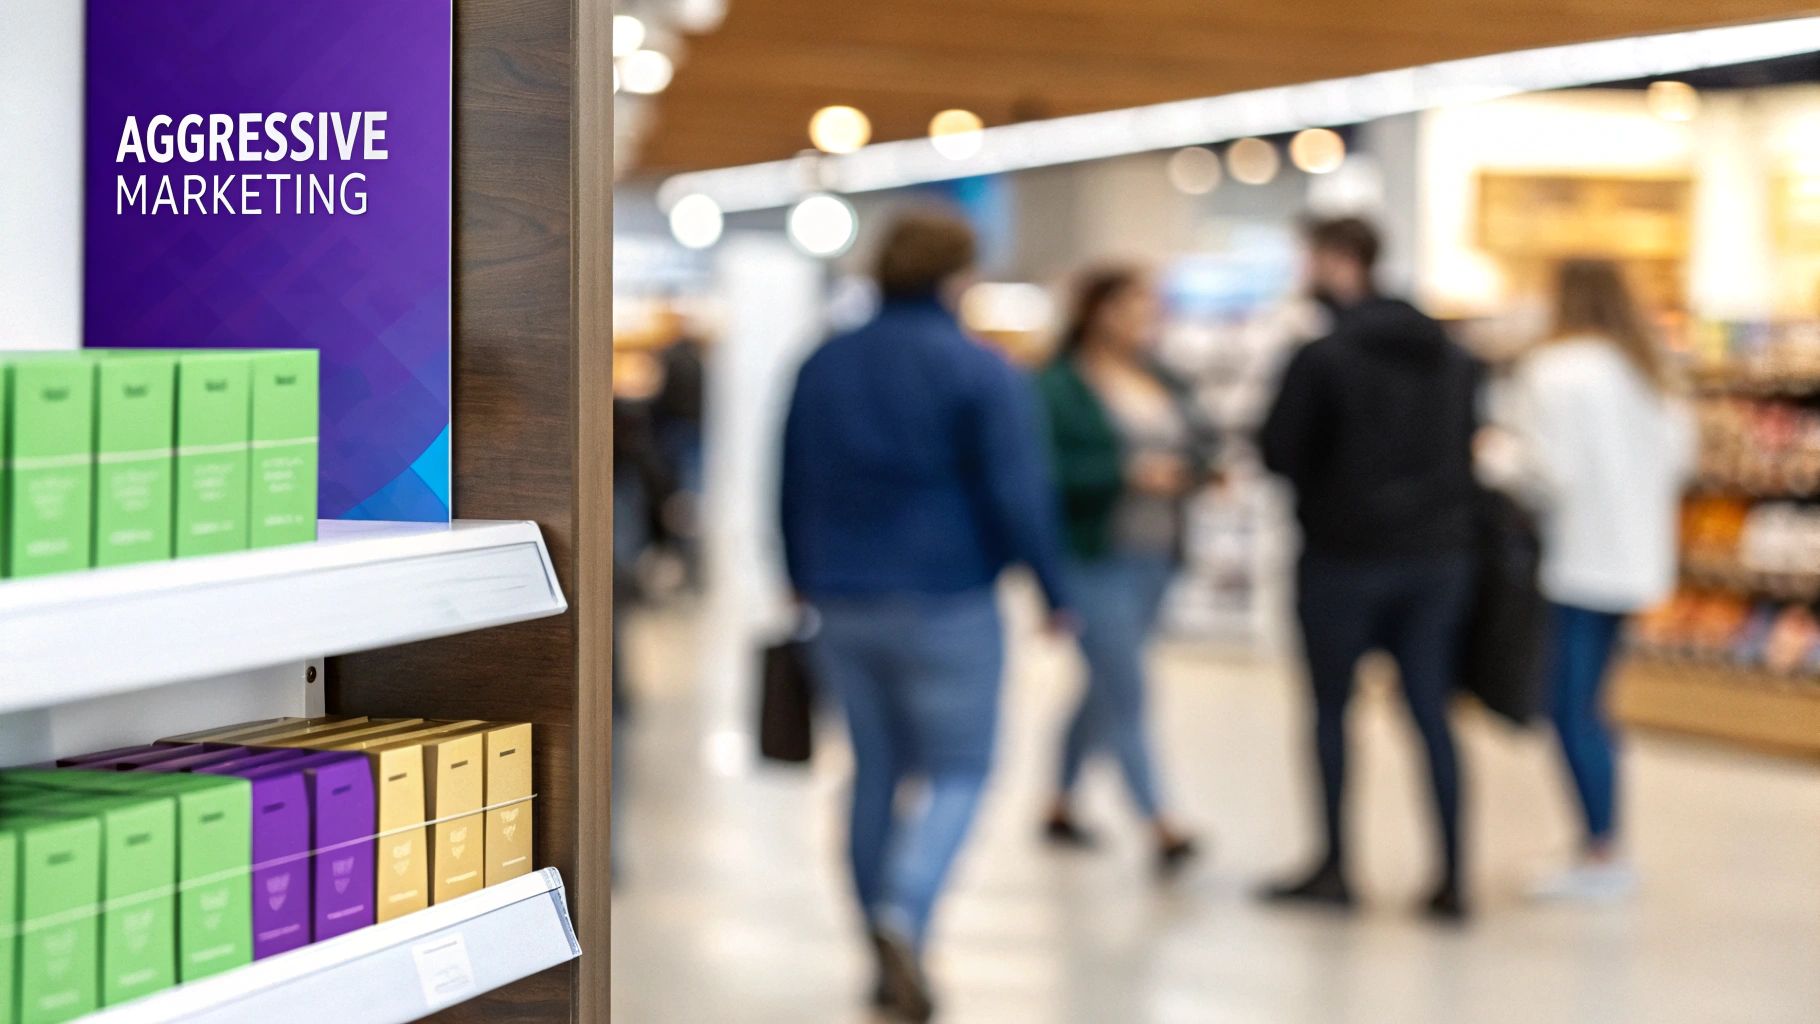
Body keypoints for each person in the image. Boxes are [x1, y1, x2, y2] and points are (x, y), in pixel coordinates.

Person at [778, 209, 1071, 1022]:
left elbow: (791, 478)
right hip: (948, 597)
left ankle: (876, 940)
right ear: (958, 277)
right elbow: (1018, 492)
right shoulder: (981, 371)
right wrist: (1053, 591)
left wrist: (798, 577)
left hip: (840, 597)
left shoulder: (824, 363)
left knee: (872, 772)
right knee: (959, 770)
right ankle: (905, 912)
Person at [1259, 216, 1482, 922]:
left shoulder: (1321, 357)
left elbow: (1278, 452)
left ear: (1336, 259)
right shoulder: (1450, 352)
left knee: (1331, 711)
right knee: (1430, 713)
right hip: (1438, 558)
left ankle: (1335, 865)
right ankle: (1452, 875)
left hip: (1342, 558)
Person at [1481, 259, 1695, 902]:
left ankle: (1600, 848)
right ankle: (1601, 838)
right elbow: (1680, 463)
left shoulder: (1554, 371)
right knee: (1593, 706)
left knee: (1571, 709)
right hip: (1635, 561)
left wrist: (1495, 457)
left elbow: (1553, 474)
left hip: (1576, 564)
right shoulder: (1651, 372)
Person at [1034, 266, 1215, 875]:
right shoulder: (1059, 386)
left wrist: (1197, 472)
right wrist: (1126, 476)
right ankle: (1159, 821)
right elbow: (1045, 473)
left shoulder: (1160, 379)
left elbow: (1198, 442)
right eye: (1132, 306)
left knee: (1104, 683)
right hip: (1092, 553)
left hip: (1156, 552)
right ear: (1098, 310)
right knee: (1127, 685)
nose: (1144, 319)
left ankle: (1058, 800)